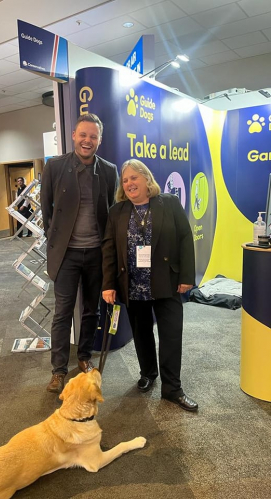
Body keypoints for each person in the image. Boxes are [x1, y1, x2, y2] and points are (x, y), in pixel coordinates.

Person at [102, 159, 198, 412]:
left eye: (134, 177)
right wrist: (108, 284)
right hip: (133, 285)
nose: (129, 183)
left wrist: (186, 276)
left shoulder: (169, 203)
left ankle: (172, 388)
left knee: (170, 335)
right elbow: (109, 250)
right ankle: (148, 373)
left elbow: (185, 239)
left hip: (167, 282)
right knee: (141, 333)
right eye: (125, 180)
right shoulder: (117, 212)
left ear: (146, 179)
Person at [41, 113, 118, 393]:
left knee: (91, 311)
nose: (88, 141)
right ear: (73, 135)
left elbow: (111, 213)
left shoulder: (109, 170)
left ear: (99, 139)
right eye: (83, 135)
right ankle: (58, 371)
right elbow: (47, 212)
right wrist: (56, 241)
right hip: (67, 255)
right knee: (62, 312)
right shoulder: (55, 167)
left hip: (96, 254)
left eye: (93, 136)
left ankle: (84, 357)